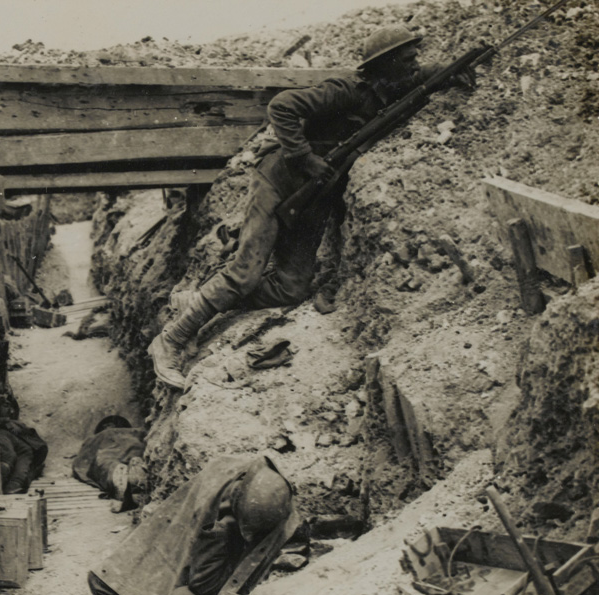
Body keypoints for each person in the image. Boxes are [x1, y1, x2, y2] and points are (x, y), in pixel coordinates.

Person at [148, 25, 476, 389]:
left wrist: (453, 70)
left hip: (314, 199)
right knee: (245, 274)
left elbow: (423, 78)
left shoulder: (393, 93)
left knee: (291, 288)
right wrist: (304, 157)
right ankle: (172, 339)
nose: (415, 64)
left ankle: (201, 300)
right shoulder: (346, 91)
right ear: (385, 65)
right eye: (407, 58)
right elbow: (282, 106)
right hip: (279, 181)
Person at [88, 456, 299, 595]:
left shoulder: (282, 525)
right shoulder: (220, 493)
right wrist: (220, 529)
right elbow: (202, 583)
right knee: (104, 583)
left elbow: (204, 587)